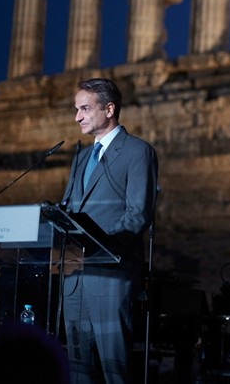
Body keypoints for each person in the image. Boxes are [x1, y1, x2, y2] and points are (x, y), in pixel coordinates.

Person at [59, 77, 159, 384]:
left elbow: (137, 214)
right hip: (74, 280)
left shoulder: (137, 151)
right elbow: (68, 212)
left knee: (115, 371)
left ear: (110, 109)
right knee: (78, 372)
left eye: (85, 108)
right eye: (77, 109)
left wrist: (100, 247)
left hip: (110, 277)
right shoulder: (80, 158)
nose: (77, 117)